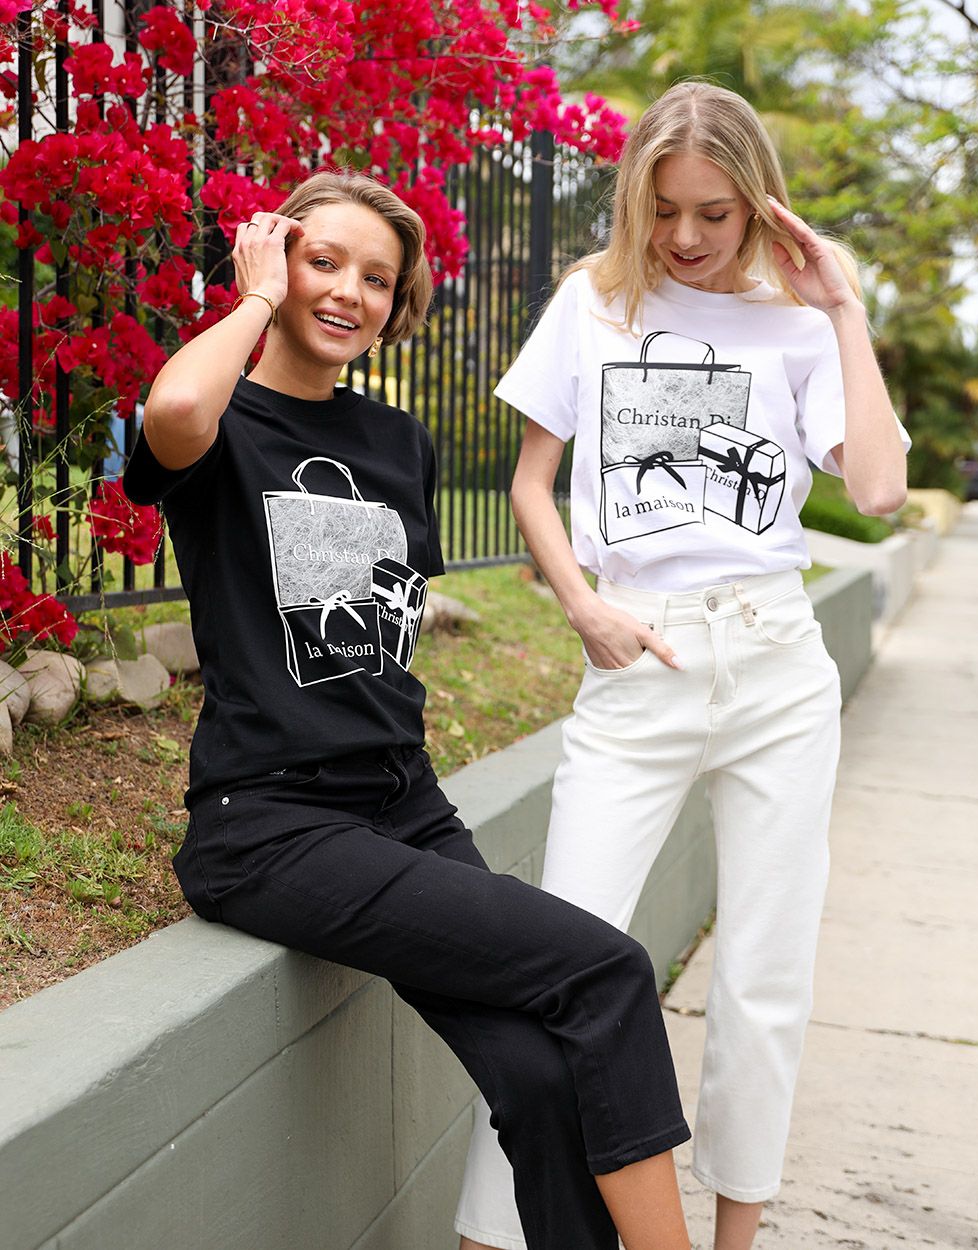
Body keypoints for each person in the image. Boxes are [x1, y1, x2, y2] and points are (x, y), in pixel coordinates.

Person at [122, 171, 694, 1250]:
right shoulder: (224, 422)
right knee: (608, 970)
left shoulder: (397, 442)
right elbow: (175, 412)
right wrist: (252, 299)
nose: (350, 292)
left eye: (378, 278)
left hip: (403, 803)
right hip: (273, 824)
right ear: (277, 261)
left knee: (537, 1077)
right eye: (323, 262)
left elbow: (380, 635)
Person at [454, 82, 909, 1250]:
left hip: (773, 662)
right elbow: (527, 483)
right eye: (663, 210)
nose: (686, 236)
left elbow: (875, 488)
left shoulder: (799, 320)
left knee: (765, 973)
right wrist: (583, 606)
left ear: (757, 203)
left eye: (714, 210)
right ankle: (490, 1236)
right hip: (638, 654)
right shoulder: (591, 302)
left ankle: (734, 1238)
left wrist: (843, 309)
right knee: (557, 958)